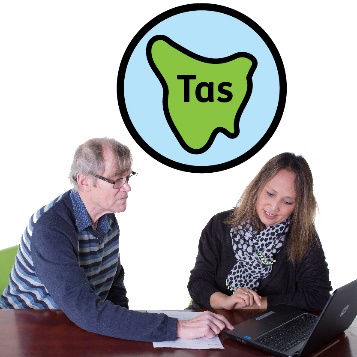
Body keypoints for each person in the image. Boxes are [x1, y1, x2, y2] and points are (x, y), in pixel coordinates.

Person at [0, 137, 233, 341]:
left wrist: (126, 335)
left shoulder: (106, 217)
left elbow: (113, 283)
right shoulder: (51, 228)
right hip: (24, 328)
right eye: (116, 180)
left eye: (128, 177)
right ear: (84, 182)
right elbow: (85, 310)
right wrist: (177, 328)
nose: (127, 187)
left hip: (73, 323)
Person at [188, 152, 332, 312]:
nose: (274, 206)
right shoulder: (220, 224)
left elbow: (319, 296)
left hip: (271, 327)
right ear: (258, 187)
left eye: (287, 201)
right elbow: (198, 282)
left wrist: (259, 303)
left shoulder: (304, 236)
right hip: (214, 320)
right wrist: (226, 301)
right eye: (270, 194)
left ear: (298, 206)